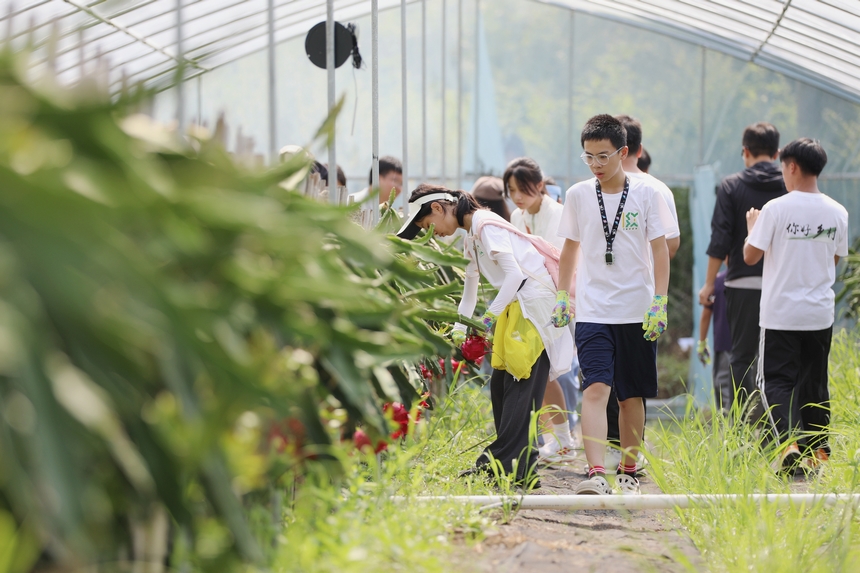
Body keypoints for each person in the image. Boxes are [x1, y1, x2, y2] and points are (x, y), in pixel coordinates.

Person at [396, 184, 573, 488]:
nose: (431, 233)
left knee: (519, 387)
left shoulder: (485, 225)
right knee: (503, 387)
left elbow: (515, 275)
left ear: (438, 208)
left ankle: (500, 466)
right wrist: (458, 330)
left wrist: (487, 319)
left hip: (532, 306)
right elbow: (469, 293)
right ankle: (521, 469)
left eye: (427, 225)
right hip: (517, 308)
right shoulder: (471, 237)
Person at [553, 114, 671, 495]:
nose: (596, 165)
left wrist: (660, 301)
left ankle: (629, 470)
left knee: (630, 394)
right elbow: (569, 249)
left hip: (637, 311)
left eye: (603, 156)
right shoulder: (578, 195)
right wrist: (562, 293)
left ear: (623, 152)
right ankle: (595, 473)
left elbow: (661, 251)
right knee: (595, 389)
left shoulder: (647, 194)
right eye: (588, 157)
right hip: (593, 311)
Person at [743, 138, 848, 474]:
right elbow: (834, 259)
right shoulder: (838, 211)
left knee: (774, 381)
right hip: (818, 314)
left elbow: (750, 256)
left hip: (781, 314)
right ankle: (819, 453)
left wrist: (752, 229)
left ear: (792, 166)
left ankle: (787, 443)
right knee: (814, 383)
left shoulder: (776, 209)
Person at [602, 115, 681, 466]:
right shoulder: (658, 188)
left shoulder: (601, 187)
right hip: (643, 294)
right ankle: (632, 449)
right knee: (634, 376)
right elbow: (671, 244)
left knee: (605, 373)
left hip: (605, 295)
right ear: (639, 148)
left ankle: (612, 445)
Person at [699, 122, 786, 415]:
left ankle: (742, 426)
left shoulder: (731, 185)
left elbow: (720, 238)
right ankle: (776, 426)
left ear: (745, 151)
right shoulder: (789, 184)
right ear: (777, 153)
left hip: (741, 283)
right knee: (778, 356)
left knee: (742, 357)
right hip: (781, 283)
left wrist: (709, 283)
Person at [503, 157, 576, 464]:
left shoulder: (557, 213)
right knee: (542, 371)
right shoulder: (516, 216)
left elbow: (559, 260)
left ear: (540, 185)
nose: (517, 196)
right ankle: (559, 441)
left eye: (523, 188)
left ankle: (564, 440)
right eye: (511, 190)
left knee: (549, 372)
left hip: (562, 299)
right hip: (533, 301)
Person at [697, 268, 732, 414]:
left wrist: (702, 343)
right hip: (751, 346)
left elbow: (706, 314)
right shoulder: (758, 277)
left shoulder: (717, 282)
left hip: (724, 343)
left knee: (724, 385)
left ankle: (729, 423)